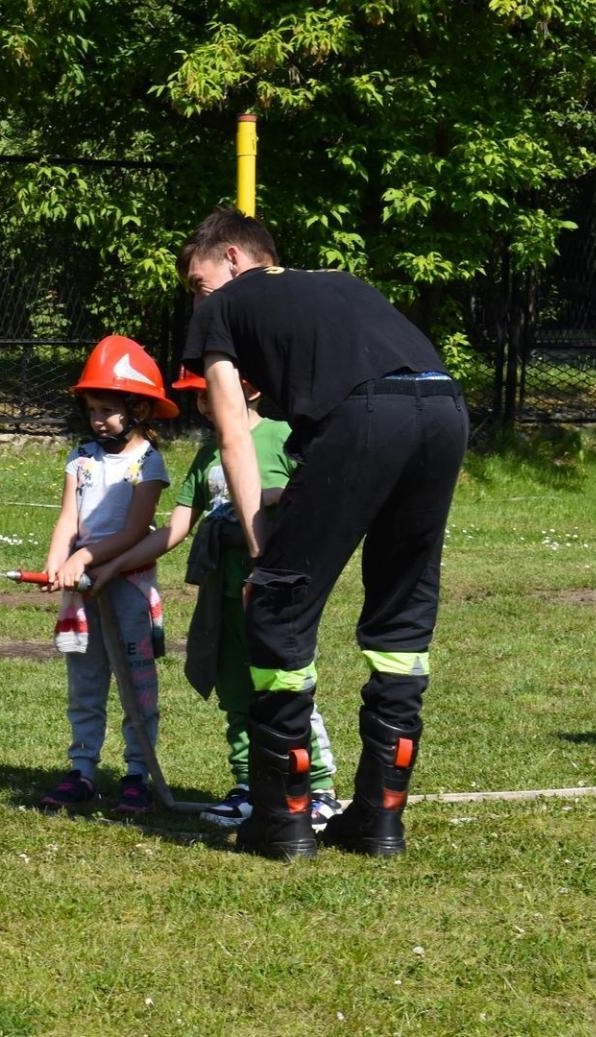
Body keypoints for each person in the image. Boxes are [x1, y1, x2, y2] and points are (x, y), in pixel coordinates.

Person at [176, 208, 468, 859]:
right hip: (445, 405)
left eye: (196, 283)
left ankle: (283, 822)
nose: (197, 300)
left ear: (231, 257)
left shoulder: (223, 304)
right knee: (401, 621)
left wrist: (260, 554)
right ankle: (378, 818)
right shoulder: (337, 283)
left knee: (277, 611)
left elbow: (233, 433)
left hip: (366, 411)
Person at [91, 366, 340, 831]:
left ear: (253, 388)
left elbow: (318, 501)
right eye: (199, 396)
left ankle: (319, 789)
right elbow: (177, 527)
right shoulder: (208, 453)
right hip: (221, 594)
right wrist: (114, 566)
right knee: (235, 691)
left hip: (274, 587)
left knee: (286, 687)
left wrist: (271, 495)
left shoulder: (284, 436)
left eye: (211, 393)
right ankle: (250, 787)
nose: (205, 404)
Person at [37, 334, 176, 818]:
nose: (98, 420)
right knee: (86, 680)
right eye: (92, 409)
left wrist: (85, 558)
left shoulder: (147, 464)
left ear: (138, 409)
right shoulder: (81, 458)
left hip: (128, 588)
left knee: (137, 682)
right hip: (83, 588)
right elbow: (68, 519)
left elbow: (136, 529)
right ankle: (82, 770)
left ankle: (137, 774)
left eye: (108, 410)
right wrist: (59, 558)